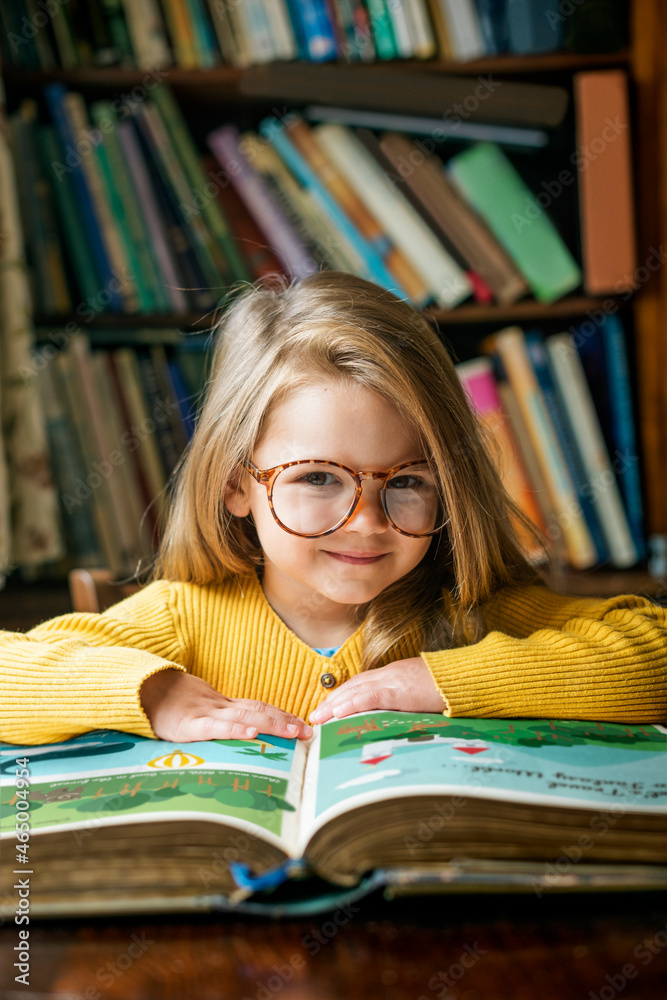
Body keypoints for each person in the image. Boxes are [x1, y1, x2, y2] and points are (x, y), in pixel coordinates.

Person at [2, 272, 666, 747]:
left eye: (407, 481)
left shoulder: (466, 609)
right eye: (318, 477)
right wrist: (155, 693)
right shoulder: (186, 617)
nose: (367, 522)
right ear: (237, 485)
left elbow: (654, 650)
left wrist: (441, 679)